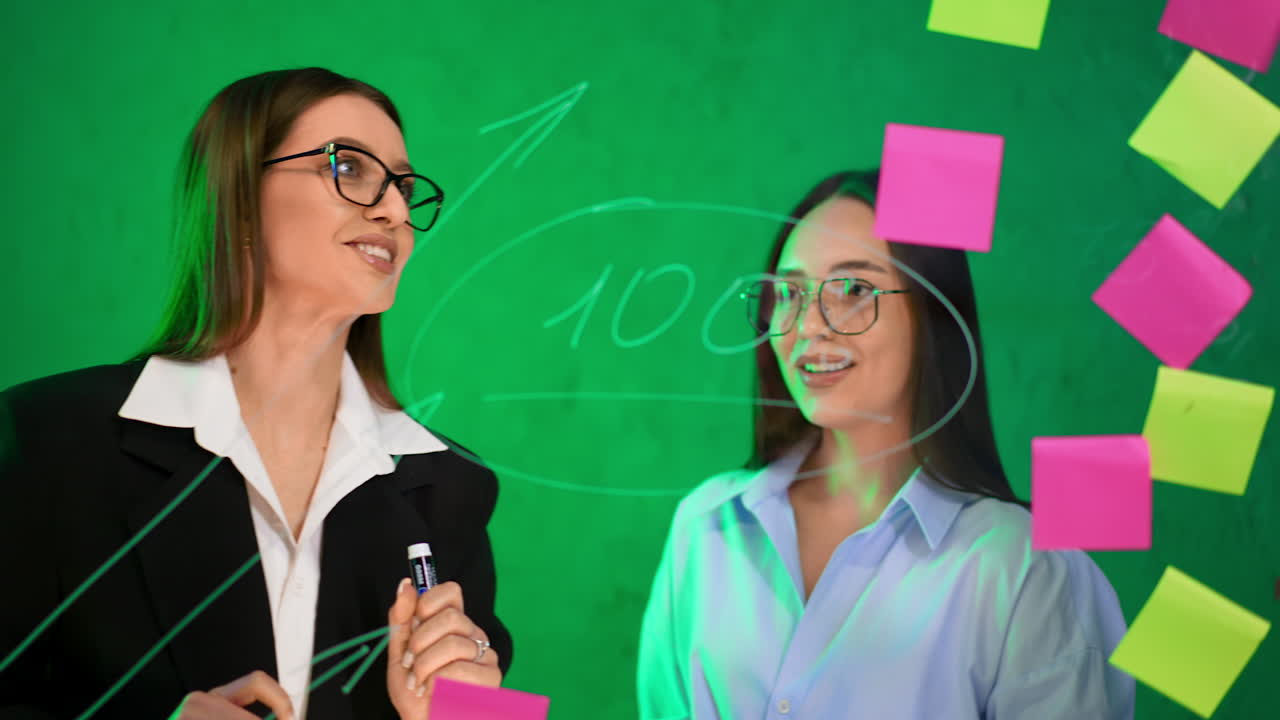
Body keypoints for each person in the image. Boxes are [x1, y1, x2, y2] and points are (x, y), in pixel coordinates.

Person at [0, 68, 511, 720]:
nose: (394, 210)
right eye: (349, 168)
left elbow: (488, 708)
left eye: (405, 187)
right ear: (238, 196)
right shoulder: (48, 442)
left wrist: (463, 715)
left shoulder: (449, 485)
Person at [637, 170, 1135, 719]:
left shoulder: (1024, 569)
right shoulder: (705, 528)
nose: (809, 326)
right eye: (790, 293)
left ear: (933, 316)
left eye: (854, 290)